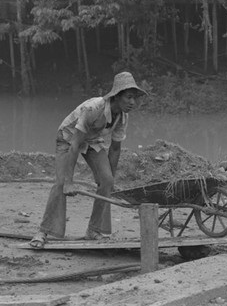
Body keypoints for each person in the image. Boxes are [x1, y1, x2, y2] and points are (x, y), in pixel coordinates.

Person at [29, 72, 148, 248]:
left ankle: (94, 230)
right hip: (68, 138)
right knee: (61, 183)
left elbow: (115, 148)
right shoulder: (93, 109)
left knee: (107, 181)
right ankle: (43, 232)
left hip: (92, 141)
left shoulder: (122, 116)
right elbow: (75, 144)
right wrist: (70, 181)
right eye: (129, 97)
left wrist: (109, 179)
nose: (133, 102)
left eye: (135, 98)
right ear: (116, 96)